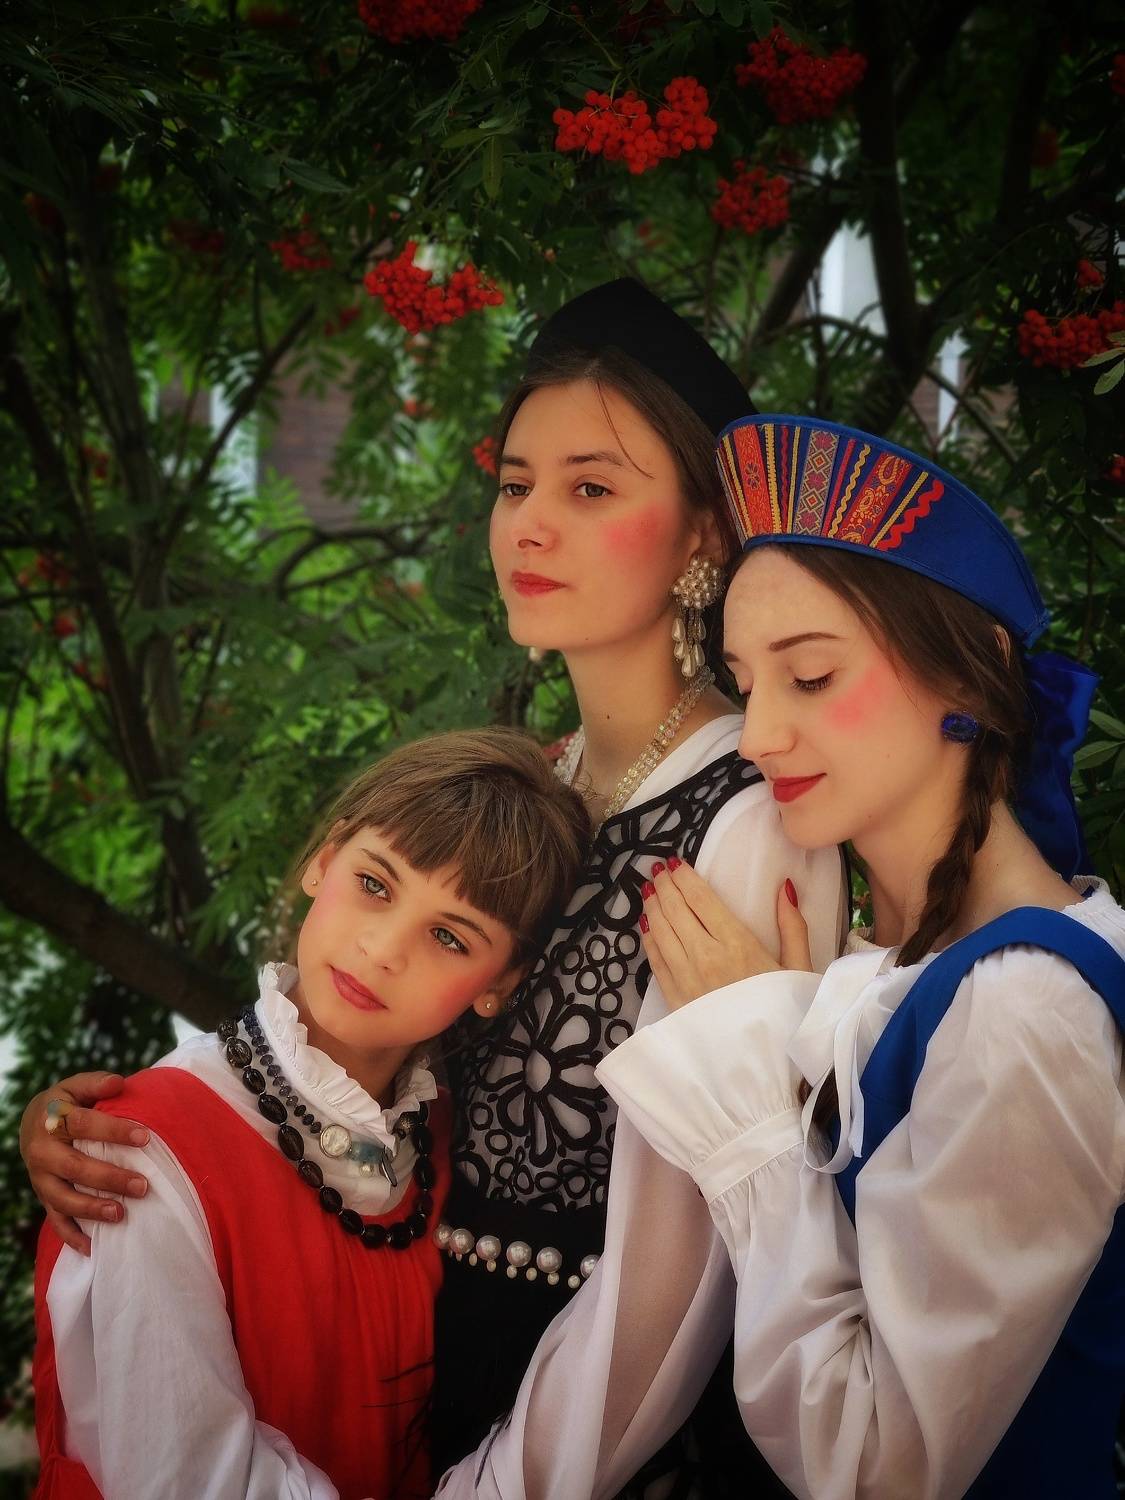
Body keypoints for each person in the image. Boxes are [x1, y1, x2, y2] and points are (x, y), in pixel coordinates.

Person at [22, 282, 846, 1497]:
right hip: (419, 1407)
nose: (528, 526)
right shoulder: (541, 788)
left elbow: (683, 1271)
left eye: (591, 489)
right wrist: (124, 1131)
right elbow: (370, 1077)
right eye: (515, 484)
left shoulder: (752, 818)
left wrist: (512, 1486)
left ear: (705, 536)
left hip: (608, 1458)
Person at [596, 415, 1125, 1498]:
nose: (756, 736)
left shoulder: (1026, 1007)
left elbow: (871, 1465)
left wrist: (754, 1082)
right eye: (745, 681)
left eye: (812, 676)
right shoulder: (889, 960)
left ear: (972, 675)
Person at [31, 729, 590, 1500]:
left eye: (448, 936)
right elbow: (184, 1478)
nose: (383, 948)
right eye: (375, 884)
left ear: (499, 983)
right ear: (323, 860)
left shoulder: (454, 1139)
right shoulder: (138, 1146)